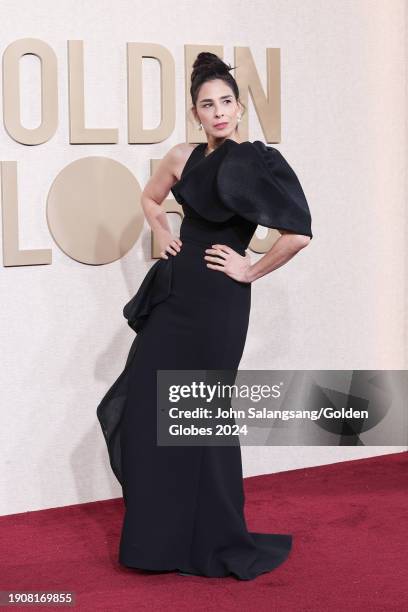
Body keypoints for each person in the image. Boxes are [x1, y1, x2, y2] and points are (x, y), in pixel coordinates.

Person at [96, 51, 313, 580]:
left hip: (219, 303)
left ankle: (212, 537)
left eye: (226, 102)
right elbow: (150, 200)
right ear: (196, 113)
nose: (218, 112)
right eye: (206, 104)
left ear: (239, 109)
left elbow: (299, 233)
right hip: (174, 295)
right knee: (151, 407)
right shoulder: (181, 156)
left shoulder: (259, 163)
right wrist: (163, 230)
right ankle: (156, 541)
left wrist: (249, 270)